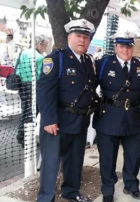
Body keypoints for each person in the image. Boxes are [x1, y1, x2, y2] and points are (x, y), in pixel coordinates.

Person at [36, 19, 98, 202]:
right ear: (69, 37)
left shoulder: (88, 61)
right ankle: (46, 198)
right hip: (57, 122)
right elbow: (44, 91)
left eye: (86, 37)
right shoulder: (56, 59)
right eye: (78, 36)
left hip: (79, 121)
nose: (82, 40)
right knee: (50, 164)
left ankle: (71, 192)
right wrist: (48, 119)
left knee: (74, 162)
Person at [93, 30, 140, 202]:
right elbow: (89, 87)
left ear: (132, 47)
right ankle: (107, 190)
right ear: (115, 47)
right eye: (122, 46)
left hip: (134, 119)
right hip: (108, 118)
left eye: (128, 46)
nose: (125, 50)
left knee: (134, 156)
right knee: (107, 158)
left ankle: (131, 185)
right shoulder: (102, 64)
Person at [15, 34, 48, 147]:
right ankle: (26, 139)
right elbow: (41, 76)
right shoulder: (40, 58)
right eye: (45, 46)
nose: (45, 48)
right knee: (32, 113)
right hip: (34, 86)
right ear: (40, 45)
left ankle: (21, 136)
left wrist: (19, 86)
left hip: (23, 85)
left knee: (25, 111)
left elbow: (17, 69)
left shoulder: (23, 53)